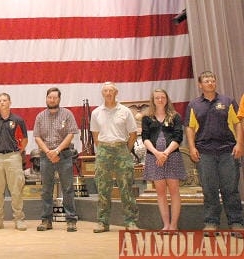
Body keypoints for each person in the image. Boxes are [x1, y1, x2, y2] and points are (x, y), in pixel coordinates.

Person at [184, 71, 243, 236]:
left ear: (215, 83)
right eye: (206, 80)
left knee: (230, 189)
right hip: (204, 153)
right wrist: (192, 147)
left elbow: (237, 123)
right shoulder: (194, 105)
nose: (210, 83)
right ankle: (211, 223)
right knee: (209, 189)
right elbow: (190, 127)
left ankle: (237, 223)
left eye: (212, 80)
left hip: (228, 151)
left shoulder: (228, 101)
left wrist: (239, 143)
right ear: (200, 85)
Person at [90, 82, 139, 233]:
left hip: (121, 149)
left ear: (116, 92)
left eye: (111, 90)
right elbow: (95, 136)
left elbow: (132, 134)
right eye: (106, 91)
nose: (108, 93)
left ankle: (130, 221)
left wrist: (125, 150)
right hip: (104, 149)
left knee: (126, 187)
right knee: (103, 187)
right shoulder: (96, 112)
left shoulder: (125, 111)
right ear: (102, 93)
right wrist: (103, 149)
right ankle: (102, 222)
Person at [33, 87, 80, 232]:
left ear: (59, 99)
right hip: (46, 156)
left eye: (55, 97)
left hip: (64, 155)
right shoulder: (40, 116)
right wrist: (48, 152)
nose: (52, 100)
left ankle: (71, 220)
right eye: (49, 97)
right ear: (46, 98)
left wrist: (57, 150)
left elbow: (71, 134)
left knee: (67, 189)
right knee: (46, 190)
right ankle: (46, 221)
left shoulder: (67, 114)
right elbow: (37, 136)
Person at [141, 89, 187, 232]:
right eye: (157, 98)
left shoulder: (175, 116)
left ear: (167, 99)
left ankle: (174, 225)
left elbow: (178, 137)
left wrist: (165, 153)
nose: (160, 100)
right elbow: (145, 138)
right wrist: (156, 153)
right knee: (160, 193)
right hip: (153, 158)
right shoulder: (147, 118)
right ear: (152, 100)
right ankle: (166, 225)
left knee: (174, 191)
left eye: (162, 97)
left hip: (172, 156)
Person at [0, 92, 28, 231]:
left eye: (4, 100)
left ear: (10, 102)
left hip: (13, 157)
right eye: (0, 101)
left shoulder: (18, 120)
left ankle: (19, 219)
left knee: (16, 189)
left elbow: (24, 140)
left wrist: (16, 152)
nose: (2, 103)